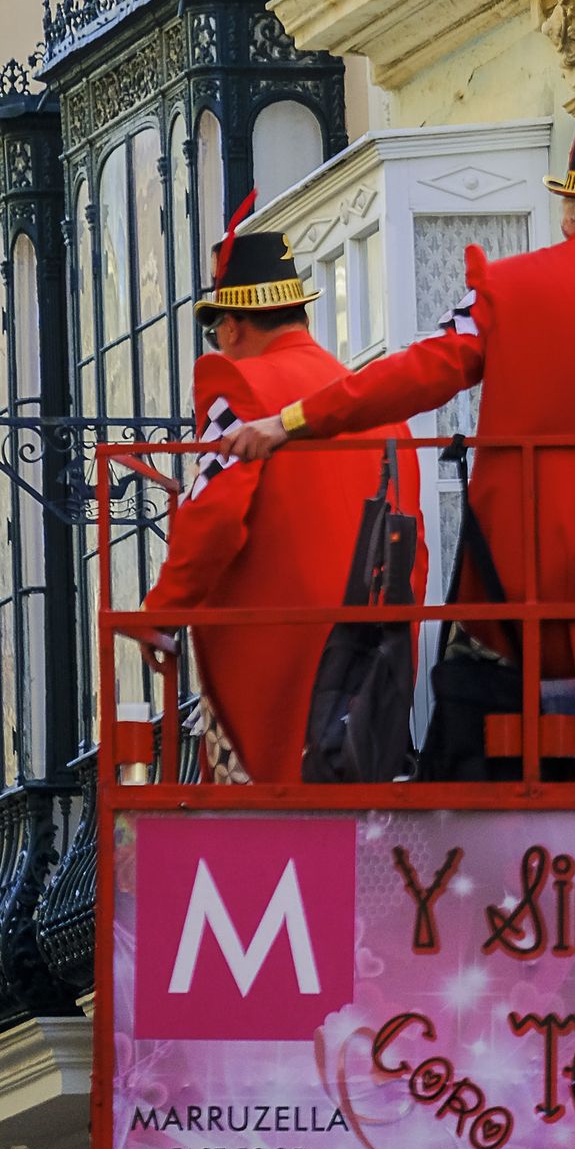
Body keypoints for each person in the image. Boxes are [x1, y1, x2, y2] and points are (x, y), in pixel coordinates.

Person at [224, 112, 575, 784]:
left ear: (568, 209)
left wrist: (293, 420)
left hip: (518, 601)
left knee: (518, 812)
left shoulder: (504, 289)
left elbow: (415, 373)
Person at [138, 209, 423, 784]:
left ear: (232, 326)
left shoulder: (234, 381)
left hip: (275, 675)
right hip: (370, 684)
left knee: (253, 857)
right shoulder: (372, 407)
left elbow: (214, 514)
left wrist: (162, 610)